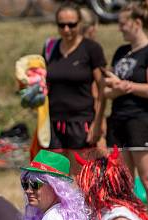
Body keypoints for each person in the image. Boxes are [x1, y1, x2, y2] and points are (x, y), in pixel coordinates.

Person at [104, 0, 148, 220]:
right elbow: (109, 90)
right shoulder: (121, 52)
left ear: (137, 23)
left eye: (123, 23)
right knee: (123, 181)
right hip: (119, 120)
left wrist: (124, 86)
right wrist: (110, 86)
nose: (119, 28)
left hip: (143, 120)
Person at [43, 4, 106, 169]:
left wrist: (98, 122)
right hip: (53, 123)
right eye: (61, 25)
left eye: (71, 25)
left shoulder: (91, 49)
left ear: (80, 24)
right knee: (56, 180)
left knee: (81, 178)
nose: (66, 29)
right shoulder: (50, 48)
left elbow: (102, 88)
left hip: (81, 121)